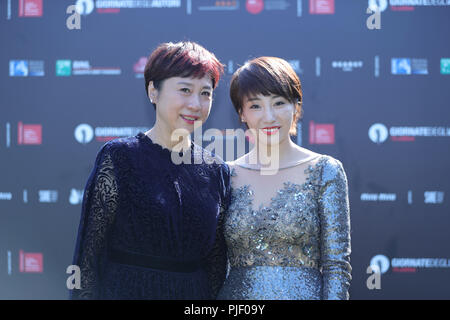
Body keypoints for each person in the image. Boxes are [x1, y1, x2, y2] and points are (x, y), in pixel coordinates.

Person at [70, 41, 231, 299]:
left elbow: (216, 268)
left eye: (205, 93)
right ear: (153, 91)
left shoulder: (216, 171)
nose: (196, 104)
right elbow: (88, 259)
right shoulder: (119, 157)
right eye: (185, 89)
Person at [217, 56, 351, 300]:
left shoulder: (325, 171)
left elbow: (336, 266)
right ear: (242, 113)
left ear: (296, 107)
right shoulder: (225, 175)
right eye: (255, 105)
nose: (269, 116)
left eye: (278, 103)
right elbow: (214, 263)